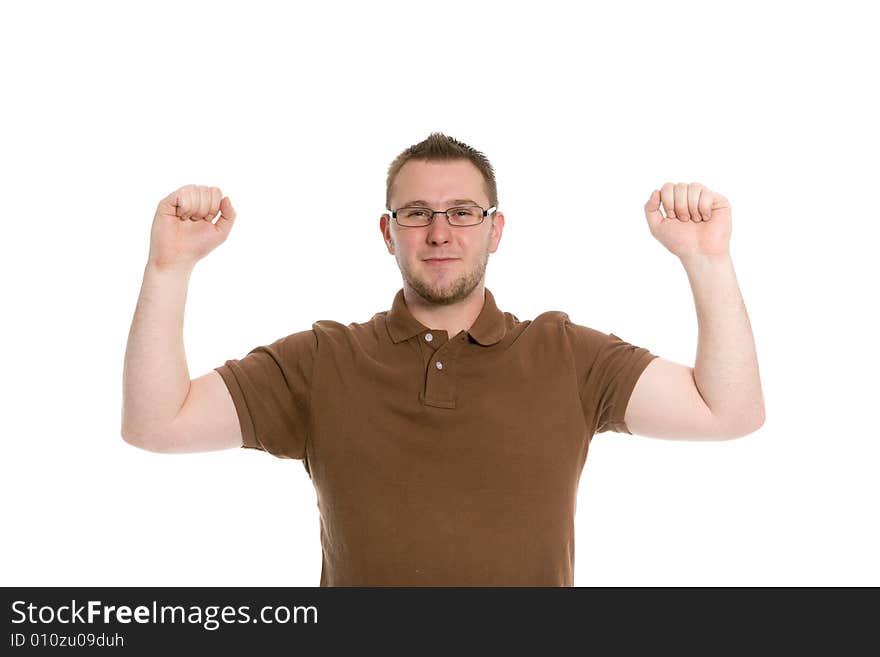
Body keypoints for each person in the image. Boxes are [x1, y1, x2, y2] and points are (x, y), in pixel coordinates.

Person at [121, 132, 765, 586]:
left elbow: (727, 412)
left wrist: (706, 261)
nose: (439, 231)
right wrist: (168, 267)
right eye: (416, 213)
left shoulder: (566, 355)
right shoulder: (322, 360)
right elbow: (157, 423)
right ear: (387, 231)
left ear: (495, 229)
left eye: (462, 211)